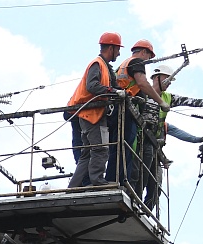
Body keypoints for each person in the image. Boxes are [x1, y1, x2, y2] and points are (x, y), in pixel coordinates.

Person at [141, 66, 203, 208]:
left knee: (156, 186)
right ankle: (135, 203)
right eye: (167, 79)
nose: (169, 83)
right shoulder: (143, 93)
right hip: (141, 145)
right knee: (140, 179)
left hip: (154, 149)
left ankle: (144, 210)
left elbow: (189, 102)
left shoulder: (168, 98)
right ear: (157, 78)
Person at [106, 39, 168, 191]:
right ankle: (121, 182)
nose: (148, 61)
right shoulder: (137, 62)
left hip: (115, 110)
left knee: (116, 146)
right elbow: (142, 83)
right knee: (125, 147)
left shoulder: (123, 64)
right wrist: (160, 102)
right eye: (149, 56)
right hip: (127, 110)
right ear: (144, 52)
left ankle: (111, 180)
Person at [67, 32, 123, 188]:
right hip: (91, 114)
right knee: (100, 149)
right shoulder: (97, 64)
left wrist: (119, 91)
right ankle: (98, 182)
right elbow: (92, 86)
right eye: (118, 49)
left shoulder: (105, 66)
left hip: (89, 114)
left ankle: (73, 187)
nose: (119, 54)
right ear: (111, 48)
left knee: (86, 154)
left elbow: (111, 85)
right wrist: (113, 92)